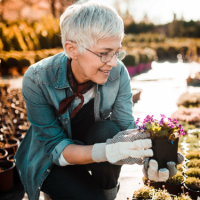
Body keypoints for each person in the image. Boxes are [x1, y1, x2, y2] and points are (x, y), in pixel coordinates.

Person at [14, 2, 183, 200]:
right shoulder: (37, 78)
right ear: (72, 49)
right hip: (50, 161)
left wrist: (149, 159)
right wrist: (107, 151)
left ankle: (106, 194)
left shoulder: (118, 73)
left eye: (116, 51)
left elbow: (125, 129)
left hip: (95, 147)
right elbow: (54, 147)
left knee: (107, 131)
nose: (113, 62)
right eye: (104, 53)